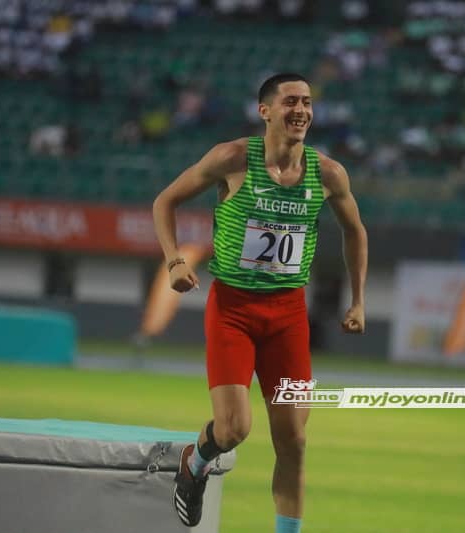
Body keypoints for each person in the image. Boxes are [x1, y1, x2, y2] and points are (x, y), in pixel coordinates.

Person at [152, 72, 368, 533]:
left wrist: (358, 300)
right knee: (233, 431)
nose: (302, 110)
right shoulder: (232, 158)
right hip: (233, 310)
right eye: (291, 101)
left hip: (288, 316)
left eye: (308, 102)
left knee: (293, 440)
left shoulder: (328, 173)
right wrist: (174, 260)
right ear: (265, 110)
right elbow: (165, 201)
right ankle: (195, 460)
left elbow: (355, 230)